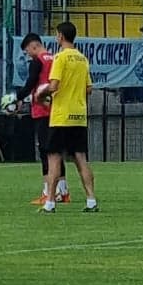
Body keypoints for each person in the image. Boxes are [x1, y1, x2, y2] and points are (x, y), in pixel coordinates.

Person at [39, 20, 98, 214]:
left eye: (57, 34)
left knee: (54, 158)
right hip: (79, 116)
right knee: (81, 158)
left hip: (61, 116)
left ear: (60, 36)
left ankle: (50, 202)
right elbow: (89, 89)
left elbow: (54, 86)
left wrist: (41, 93)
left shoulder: (60, 58)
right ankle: (91, 200)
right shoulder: (82, 59)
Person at [16, 30, 69, 206]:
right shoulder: (55, 59)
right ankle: (63, 191)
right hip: (56, 110)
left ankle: (48, 192)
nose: (28, 55)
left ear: (34, 46)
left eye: (27, 51)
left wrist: (18, 97)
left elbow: (31, 83)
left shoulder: (37, 61)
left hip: (42, 111)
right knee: (56, 150)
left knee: (46, 151)